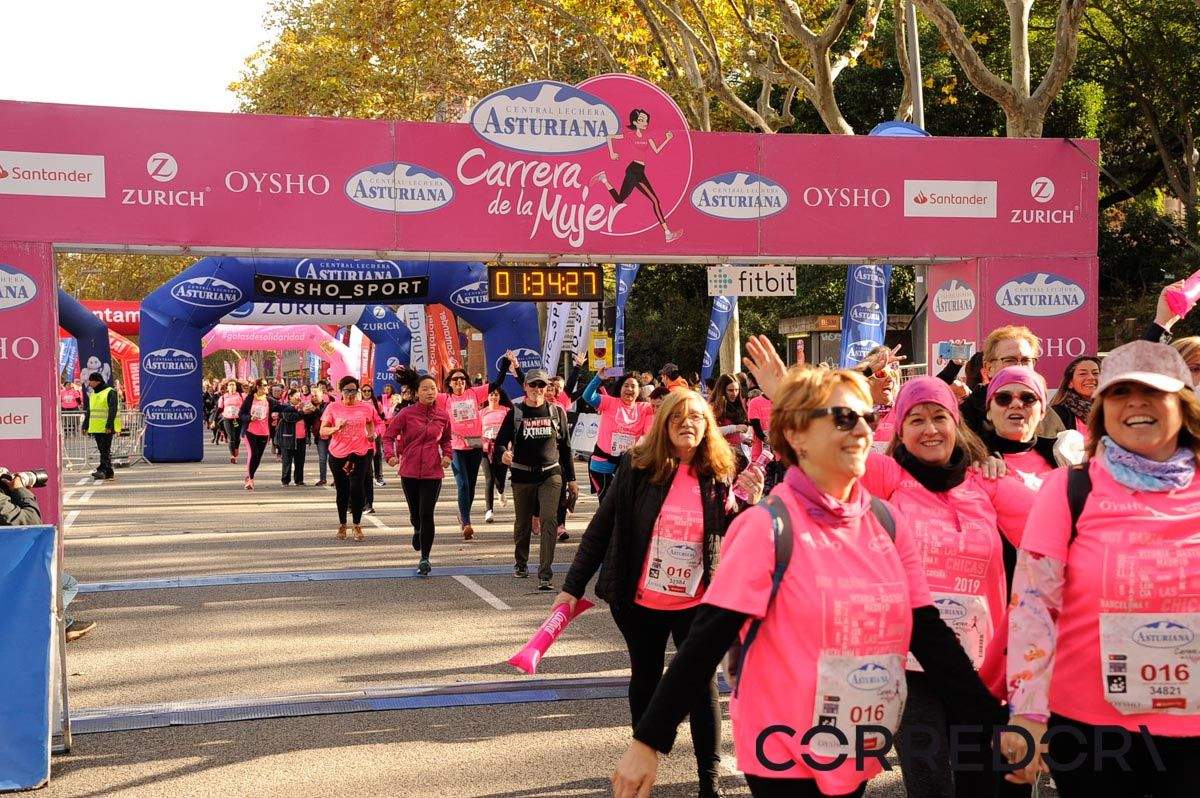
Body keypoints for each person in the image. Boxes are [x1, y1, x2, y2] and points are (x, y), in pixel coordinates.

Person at [611, 353, 1002, 798]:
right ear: (797, 436)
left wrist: (992, 720)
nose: (860, 430)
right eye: (843, 418)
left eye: (866, 418)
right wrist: (648, 740)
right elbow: (707, 640)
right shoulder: (766, 527)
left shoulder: (887, 523)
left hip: (853, 743)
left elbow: (928, 632)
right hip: (781, 751)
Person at [1002, 340, 1200, 796]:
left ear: (1183, 405)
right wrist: (1027, 713)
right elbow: (1033, 606)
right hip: (1090, 730)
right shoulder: (1070, 488)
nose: (1136, 402)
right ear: (1101, 410)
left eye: (1154, 391)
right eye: (1119, 392)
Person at [558, 389, 761, 798]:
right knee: (645, 679)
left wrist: (750, 506)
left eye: (696, 417)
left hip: (697, 602)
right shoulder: (637, 467)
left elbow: (736, 537)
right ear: (664, 425)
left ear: (708, 426)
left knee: (701, 686)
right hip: (640, 602)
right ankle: (643, 765)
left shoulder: (720, 472)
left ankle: (709, 781)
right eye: (678, 418)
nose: (687, 424)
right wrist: (571, 587)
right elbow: (601, 528)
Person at [858, 377, 1036, 798]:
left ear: (956, 423)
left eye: (939, 417)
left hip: (980, 666)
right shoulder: (888, 477)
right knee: (930, 782)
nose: (930, 429)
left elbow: (1057, 527)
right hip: (910, 664)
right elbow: (825, 453)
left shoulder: (986, 483)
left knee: (982, 781)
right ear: (900, 429)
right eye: (916, 420)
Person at [494, 368, 577, 591]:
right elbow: (499, 442)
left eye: (542, 385)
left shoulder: (556, 412)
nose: (537, 389)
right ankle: (521, 562)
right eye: (533, 385)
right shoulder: (516, 412)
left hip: (551, 474)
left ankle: (545, 573)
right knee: (523, 523)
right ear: (525, 387)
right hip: (522, 475)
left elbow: (566, 448)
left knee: (549, 520)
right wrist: (503, 453)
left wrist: (571, 479)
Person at [0, 471, 95, 641]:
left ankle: (64, 624)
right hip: (8, 573)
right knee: (67, 584)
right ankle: (37, 625)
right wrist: (20, 490)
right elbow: (31, 522)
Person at [383, 374, 451, 576]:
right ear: (417, 393)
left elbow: (447, 440)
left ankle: (425, 558)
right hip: (409, 471)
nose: (430, 392)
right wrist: (390, 456)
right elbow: (388, 436)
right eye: (425, 389)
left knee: (427, 513)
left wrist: (447, 455)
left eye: (433, 388)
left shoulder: (442, 416)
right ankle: (417, 529)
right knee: (415, 514)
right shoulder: (406, 413)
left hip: (432, 472)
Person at [956, 326, 1065, 439]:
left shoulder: (1049, 417)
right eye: (1009, 360)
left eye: (1026, 361)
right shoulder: (965, 417)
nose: (1019, 366)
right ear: (989, 368)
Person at [593, 108, 682, 242]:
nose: (645, 122)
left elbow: (657, 150)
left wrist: (667, 139)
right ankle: (667, 233)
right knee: (655, 200)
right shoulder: (630, 135)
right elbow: (609, 137)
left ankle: (604, 179)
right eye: (641, 120)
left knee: (619, 200)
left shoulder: (648, 136)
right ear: (635, 122)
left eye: (646, 120)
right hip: (634, 170)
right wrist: (611, 153)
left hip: (640, 171)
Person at [319, 375, 380, 541]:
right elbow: (323, 431)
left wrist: (372, 434)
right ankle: (342, 524)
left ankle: (357, 525)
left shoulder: (366, 408)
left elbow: (374, 422)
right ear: (341, 391)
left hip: (360, 453)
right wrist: (336, 428)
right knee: (342, 489)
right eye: (347, 391)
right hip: (338, 454)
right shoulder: (332, 407)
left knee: (357, 488)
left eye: (353, 390)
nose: (350, 394)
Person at [581, 370, 654, 498]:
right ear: (620, 388)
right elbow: (587, 396)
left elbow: (647, 435)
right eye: (626, 385)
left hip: (630, 464)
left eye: (633, 386)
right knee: (606, 503)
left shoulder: (645, 408)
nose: (629, 389)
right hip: (603, 463)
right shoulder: (609, 402)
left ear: (639, 390)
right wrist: (598, 378)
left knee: (627, 503)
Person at [481, 387, 512, 523]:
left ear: (500, 397)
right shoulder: (482, 412)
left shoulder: (506, 411)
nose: (493, 397)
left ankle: (501, 491)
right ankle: (489, 510)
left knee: (500, 479)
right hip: (486, 448)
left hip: (502, 448)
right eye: (491, 395)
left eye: (496, 395)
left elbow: (512, 430)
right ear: (487, 397)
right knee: (489, 478)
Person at [277, 388, 319, 486]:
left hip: (302, 437)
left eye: (300, 396)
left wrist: (312, 411)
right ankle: (285, 480)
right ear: (290, 397)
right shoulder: (285, 406)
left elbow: (310, 420)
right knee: (287, 460)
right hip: (289, 437)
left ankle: (299, 480)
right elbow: (289, 418)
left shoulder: (303, 406)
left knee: (300, 460)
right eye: (296, 396)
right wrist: (303, 412)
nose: (299, 398)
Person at [1049, 355, 1101, 434]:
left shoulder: (1111, 410)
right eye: (1082, 374)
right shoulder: (1057, 414)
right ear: (1070, 383)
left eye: (1095, 373)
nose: (1091, 377)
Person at [82, 372, 119, 481]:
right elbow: (89, 411)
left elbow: (113, 409)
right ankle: (109, 471)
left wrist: (109, 425)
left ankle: (102, 470)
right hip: (96, 428)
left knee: (104, 450)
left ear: (97, 381)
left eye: (91, 381)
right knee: (103, 450)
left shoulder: (110, 392)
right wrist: (85, 425)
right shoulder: (93, 394)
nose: (89, 383)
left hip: (106, 428)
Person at [238, 379, 273, 490]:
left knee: (258, 457)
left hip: (264, 432)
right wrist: (250, 418)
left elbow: (281, 407)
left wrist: (295, 408)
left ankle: (249, 475)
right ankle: (250, 480)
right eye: (265, 385)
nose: (267, 387)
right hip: (250, 431)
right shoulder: (250, 399)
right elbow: (241, 414)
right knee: (253, 453)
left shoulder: (268, 400)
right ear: (258, 387)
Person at [710, 373, 750, 457]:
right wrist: (734, 428)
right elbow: (710, 431)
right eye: (730, 390)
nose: (734, 393)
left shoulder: (736, 405)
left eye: (736, 390)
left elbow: (732, 433)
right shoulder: (713, 407)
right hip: (721, 454)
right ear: (722, 390)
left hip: (737, 452)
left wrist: (743, 438)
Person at [217, 380, 243, 462]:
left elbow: (246, 407)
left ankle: (236, 448)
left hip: (237, 419)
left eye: (233, 385)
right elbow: (219, 409)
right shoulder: (223, 397)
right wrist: (214, 420)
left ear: (236, 387)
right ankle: (233, 456)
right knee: (231, 437)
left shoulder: (241, 396)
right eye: (230, 385)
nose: (232, 386)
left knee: (237, 437)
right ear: (227, 387)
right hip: (227, 419)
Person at [311, 383, 332, 486]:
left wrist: (315, 410)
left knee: (333, 459)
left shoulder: (327, 405)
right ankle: (322, 479)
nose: (314, 398)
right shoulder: (311, 406)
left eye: (316, 395)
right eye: (313, 396)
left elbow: (324, 416)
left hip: (330, 435)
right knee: (322, 459)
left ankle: (336, 479)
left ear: (322, 395)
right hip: (319, 436)